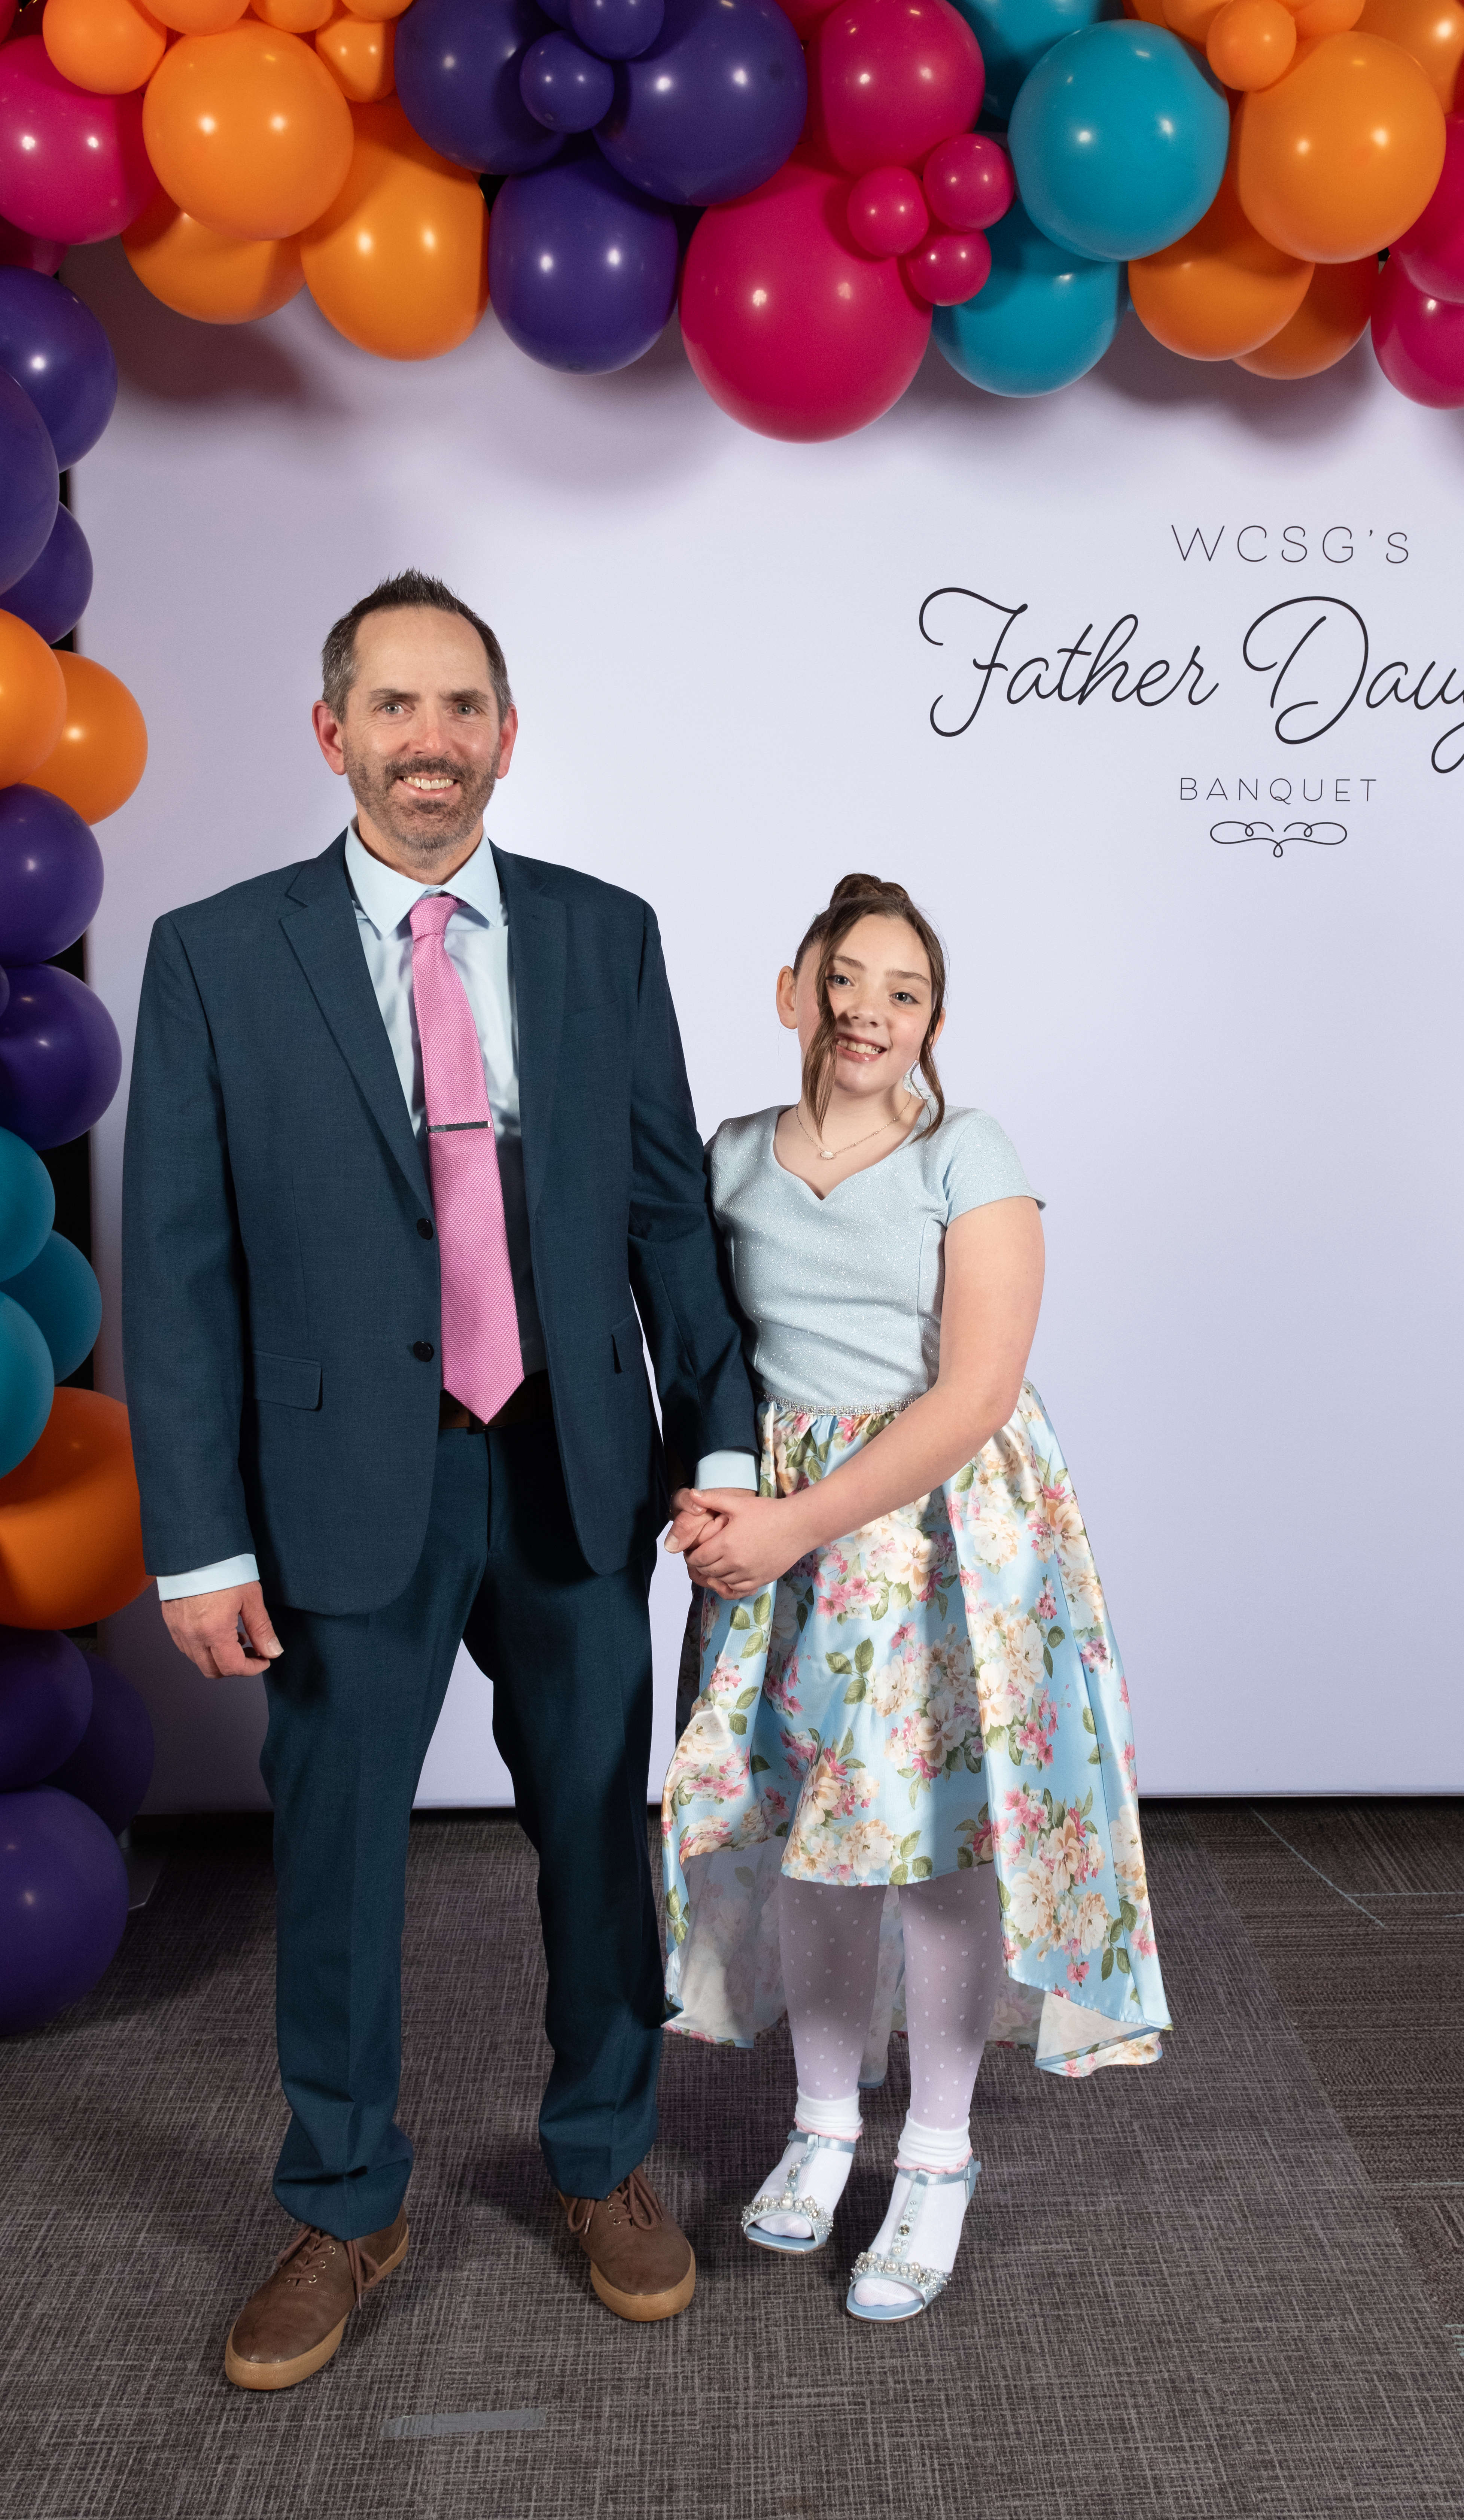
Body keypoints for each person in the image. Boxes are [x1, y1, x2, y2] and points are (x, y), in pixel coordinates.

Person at [122, 571, 758, 2387]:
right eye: (394, 707)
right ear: (332, 732)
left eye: (461, 706)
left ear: (506, 733)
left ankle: (605, 2158)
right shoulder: (214, 954)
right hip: (336, 1493)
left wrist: (718, 1441)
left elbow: (664, 1214)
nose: (430, 741)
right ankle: (342, 2202)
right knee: (335, 1856)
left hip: (573, 1469)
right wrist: (198, 1540)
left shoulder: (601, 935)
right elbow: (176, 1265)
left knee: (597, 1835)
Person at [658, 873, 1172, 2324]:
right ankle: (824, 2121)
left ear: (932, 1020)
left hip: (940, 1528)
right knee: (818, 1829)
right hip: (787, 1532)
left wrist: (794, 1523)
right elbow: (700, 1347)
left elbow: (975, 1392)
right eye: (845, 979)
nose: (870, 1011)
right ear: (792, 992)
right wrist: (715, 1497)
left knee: (942, 1840)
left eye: (905, 992)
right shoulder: (730, 1156)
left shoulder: (967, 1150)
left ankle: (937, 2153)